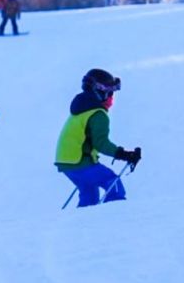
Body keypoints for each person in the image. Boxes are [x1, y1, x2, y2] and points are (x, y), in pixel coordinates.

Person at [54, 69, 141, 208]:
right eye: (109, 92)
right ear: (99, 91)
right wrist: (123, 154)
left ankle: (85, 220)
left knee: (89, 193)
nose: (111, 97)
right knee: (113, 183)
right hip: (80, 162)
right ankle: (114, 216)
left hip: (66, 162)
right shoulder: (98, 114)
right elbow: (101, 143)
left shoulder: (82, 109)